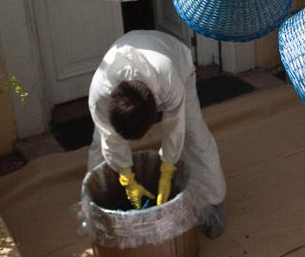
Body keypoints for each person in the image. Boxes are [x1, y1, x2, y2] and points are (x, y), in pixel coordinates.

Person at [87, 29, 228, 238]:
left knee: (195, 135)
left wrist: (167, 169)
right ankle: (99, 214)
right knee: (101, 144)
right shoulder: (100, 93)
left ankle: (212, 205)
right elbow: (111, 138)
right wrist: (127, 178)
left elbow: (175, 127)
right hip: (137, 63)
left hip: (178, 66)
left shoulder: (169, 78)